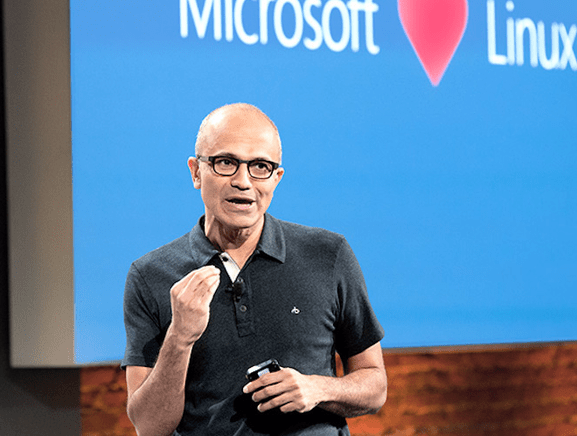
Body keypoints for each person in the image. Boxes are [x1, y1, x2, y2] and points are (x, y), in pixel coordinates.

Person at [123, 103, 386, 436]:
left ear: (277, 178)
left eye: (260, 166)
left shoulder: (328, 254)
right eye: (225, 163)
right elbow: (148, 426)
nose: (243, 181)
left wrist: (319, 388)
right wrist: (179, 338)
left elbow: (375, 386)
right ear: (196, 172)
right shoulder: (150, 276)